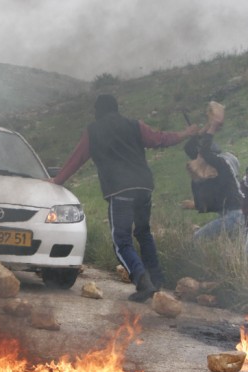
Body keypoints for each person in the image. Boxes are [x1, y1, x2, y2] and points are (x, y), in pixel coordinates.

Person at [51, 94, 199, 302]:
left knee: (121, 240)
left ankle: (142, 281)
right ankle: (156, 280)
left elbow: (77, 158)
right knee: (143, 232)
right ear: (116, 108)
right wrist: (186, 133)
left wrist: (57, 180)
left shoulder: (93, 131)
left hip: (120, 191)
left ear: (98, 110)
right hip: (144, 187)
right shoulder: (134, 125)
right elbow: (159, 139)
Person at [184, 128, 244, 240]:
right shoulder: (213, 174)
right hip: (235, 216)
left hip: (234, 216)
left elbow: (204, 152)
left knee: (197, 239)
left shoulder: (220, 164)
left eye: (198, 157)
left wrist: (210, 128)